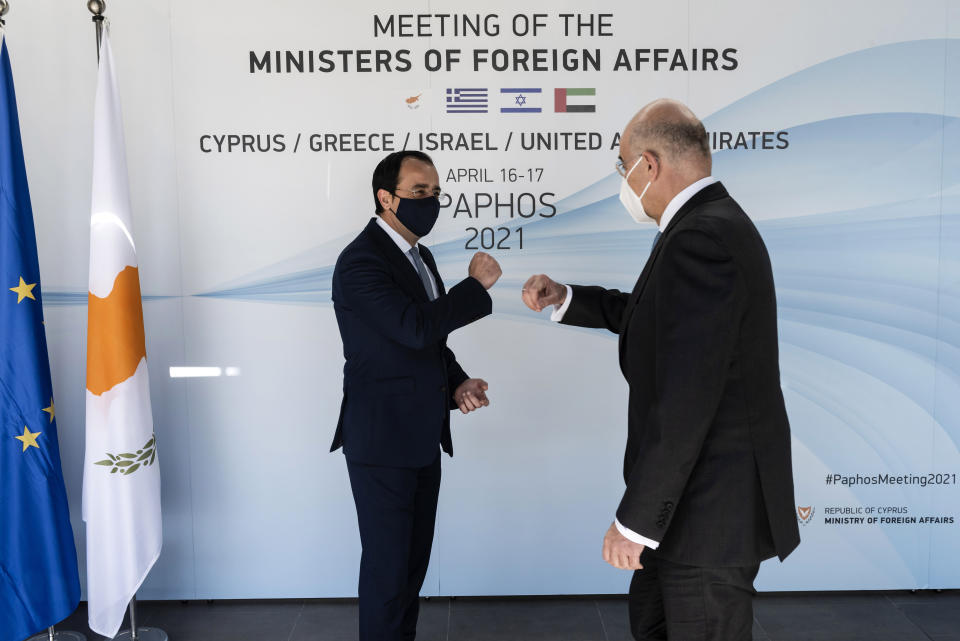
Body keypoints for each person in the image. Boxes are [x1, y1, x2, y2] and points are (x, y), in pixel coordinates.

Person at [521, 99, 800, 641]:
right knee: (652, 625)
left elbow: (686, 398)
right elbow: (661, 322)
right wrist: (569, 299)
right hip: (689, 514)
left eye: (623, 166)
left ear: (648, 165)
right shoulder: (706, 225)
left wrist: (635, 521)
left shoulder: (702, 237)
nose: (623, 179)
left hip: (705, 514)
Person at [331, 150, 501, 641]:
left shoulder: (419, 256)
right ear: (386, 198)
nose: (431, 202)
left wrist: (456, 384)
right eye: (419, 193)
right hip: (382, 441)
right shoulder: (361, 261)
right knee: (388, 573)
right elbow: (411, 328)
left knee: (410, 569)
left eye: (435, 193)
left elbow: (431, 342)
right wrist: (475, 286)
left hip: (423, 435)